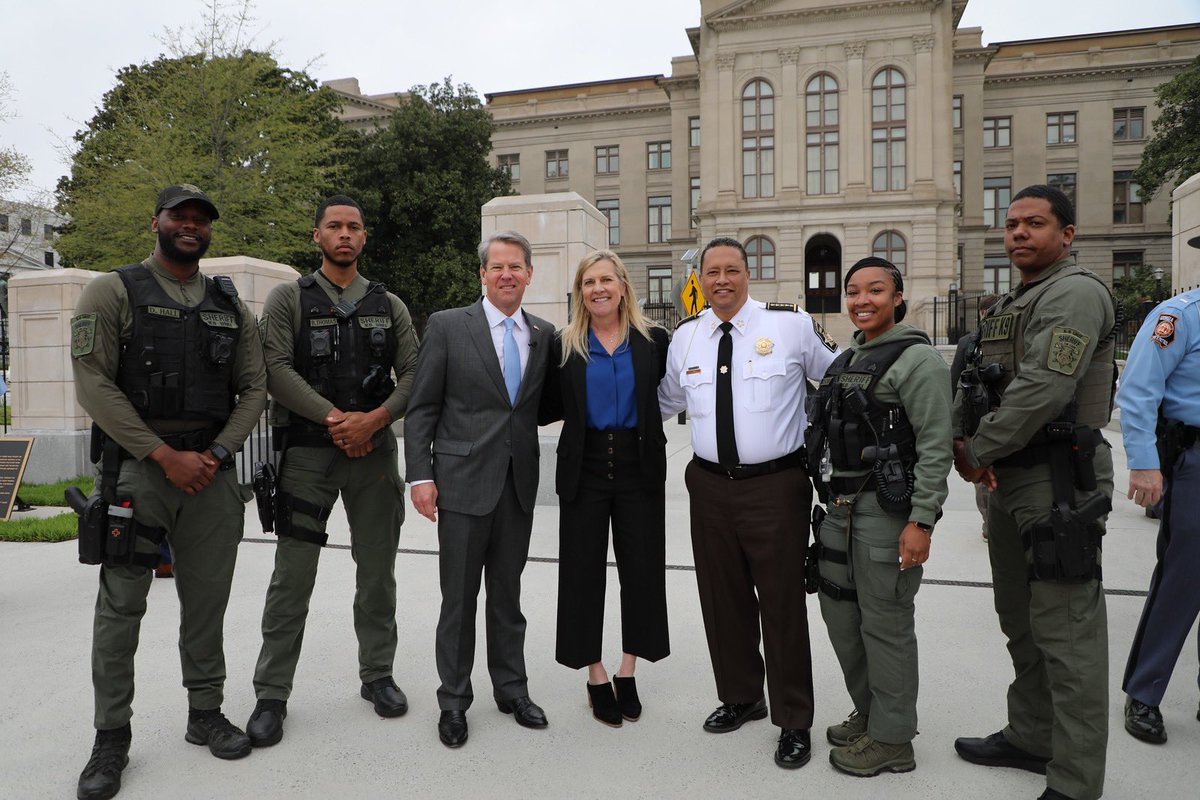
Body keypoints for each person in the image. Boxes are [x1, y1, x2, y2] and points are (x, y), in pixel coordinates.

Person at [70, 184, 268, 800]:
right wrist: (161, 455)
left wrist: (215, 455)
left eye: (200, 219)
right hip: (138, 472)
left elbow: (255, 387)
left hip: (209, 476)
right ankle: (110, 738)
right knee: (121, 607)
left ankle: (204, 713)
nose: (190, 225)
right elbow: (93, 384)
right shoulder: (112, 290)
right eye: (179, 216)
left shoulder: (229, 304)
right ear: (156, 221)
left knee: (206, 603)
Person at [952, 185, 1116, 800]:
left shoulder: (1073, 293)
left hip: (1056, 479)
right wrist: (977, 448)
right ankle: (1032, 735)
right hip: (1011, 475)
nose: (1019, 233)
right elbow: (980, 383)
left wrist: (977, 450)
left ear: (1067, 234)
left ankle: (1075, 782)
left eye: (1035, 224)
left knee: (1067, 633)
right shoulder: (1019, 299)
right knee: (1021, 620)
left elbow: (1045, 387)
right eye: (1012, 224)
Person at [658, 236, 838, 769]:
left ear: (747, 272)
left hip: (776, 486)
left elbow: (842, 377)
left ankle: (794, 718)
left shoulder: (790, 326)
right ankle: (741, 696)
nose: (721, 280)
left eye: (731, 270)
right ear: (701, 279)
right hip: (709, 486)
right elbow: (663, 402)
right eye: (711, 272)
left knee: (781, 603)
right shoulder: (686, 338)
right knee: (722, 597)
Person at [245, 195, 419, 747]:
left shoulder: (388, 304)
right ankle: (272, 694)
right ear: (316, 235)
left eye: (354, 227)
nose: (345, 234)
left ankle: (378, 676)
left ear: (364, 237)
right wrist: (336, 417)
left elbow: (415, 372)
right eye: (334, 226)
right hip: (307, 457)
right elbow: (273, 368)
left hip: (373, 458)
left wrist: (377, 420)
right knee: (292, 580)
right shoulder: (287, 300)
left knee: (377, 576)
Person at [404, 230, 554, 749]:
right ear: (483, 275)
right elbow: (422, 406)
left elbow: (546, 404)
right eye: (498, 267)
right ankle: (453, 700)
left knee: (508, 598)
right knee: (459, 599)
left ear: (529, 274)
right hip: (462, 485)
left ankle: (512, 689)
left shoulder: (544, 333)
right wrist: (421, 477)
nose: (507, 274)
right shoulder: (448, 326)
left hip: (517, 487)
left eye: (517, 266)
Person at [807, 257, 951, 776]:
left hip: (885, 514)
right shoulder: (847, 358)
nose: (861, 300)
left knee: (886, 624)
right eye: (853, 291)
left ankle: (893, 739)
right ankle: (870, 713)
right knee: (842, 618)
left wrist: (922, 520)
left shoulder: (918, 361)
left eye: (875, 290)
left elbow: (936, 446)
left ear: (897, 297)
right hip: (838, 510)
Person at [539, 250, 670, 727]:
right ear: (581, 290)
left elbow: (672, 393)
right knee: (581, 574)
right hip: (585, 466)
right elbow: (542, 404)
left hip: (638, 466)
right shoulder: (564, 344)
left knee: (641, 570)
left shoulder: (653, 340)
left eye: (606, 280)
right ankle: (595, 675)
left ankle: (628, 669)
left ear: (622, 286)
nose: (598, 288)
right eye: (589, 281)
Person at [1116, 236, 1200, 745]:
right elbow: (1139, 390)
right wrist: (1145, 466)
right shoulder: (1180, 315)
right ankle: (1145, 693)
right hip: (1194, 459)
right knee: (1182, 582)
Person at [950, 294, 1001, 542]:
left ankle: (994, 524)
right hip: (975, 418)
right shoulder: (968, 343)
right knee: (982, 482)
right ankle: (989, 524)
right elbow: (955, 381)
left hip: (1000, 417)